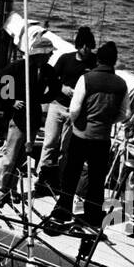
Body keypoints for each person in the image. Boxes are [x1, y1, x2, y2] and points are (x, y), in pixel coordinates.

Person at [53, 40, 129, 229]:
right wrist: (106, 122)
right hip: (102, 138)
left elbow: (75, 108)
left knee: (72, 174)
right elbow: (125, 113)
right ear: (114, 61)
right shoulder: (121, 84)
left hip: (81, 135)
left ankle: (63, 210)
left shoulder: (87, 79)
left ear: (98, 59)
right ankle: (93, 216)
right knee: (97, 179)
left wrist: (77, 120)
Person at [0, 35, 54, 209]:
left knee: (21, 159)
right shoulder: (19, 67)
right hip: (19, 119)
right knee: (10, 157)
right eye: (48, 54)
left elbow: (55, 87)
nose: (50, 57)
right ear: (40, 54)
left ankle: (11, 189)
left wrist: (43, 97)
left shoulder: (47, 70)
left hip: (33, 118)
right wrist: (11, 100)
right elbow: (0, 81)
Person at [36, 25, 95, 193]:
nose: (86, 49)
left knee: (65, 149)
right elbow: (50, 77)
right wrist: (61, 88)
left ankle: (60, 181)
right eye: (83, 45)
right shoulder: (65, 59)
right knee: (49, 143)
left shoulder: (94, 63)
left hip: (75, 112)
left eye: (89, 46)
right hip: (57, 105)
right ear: (78, 45)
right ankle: (41, 175)